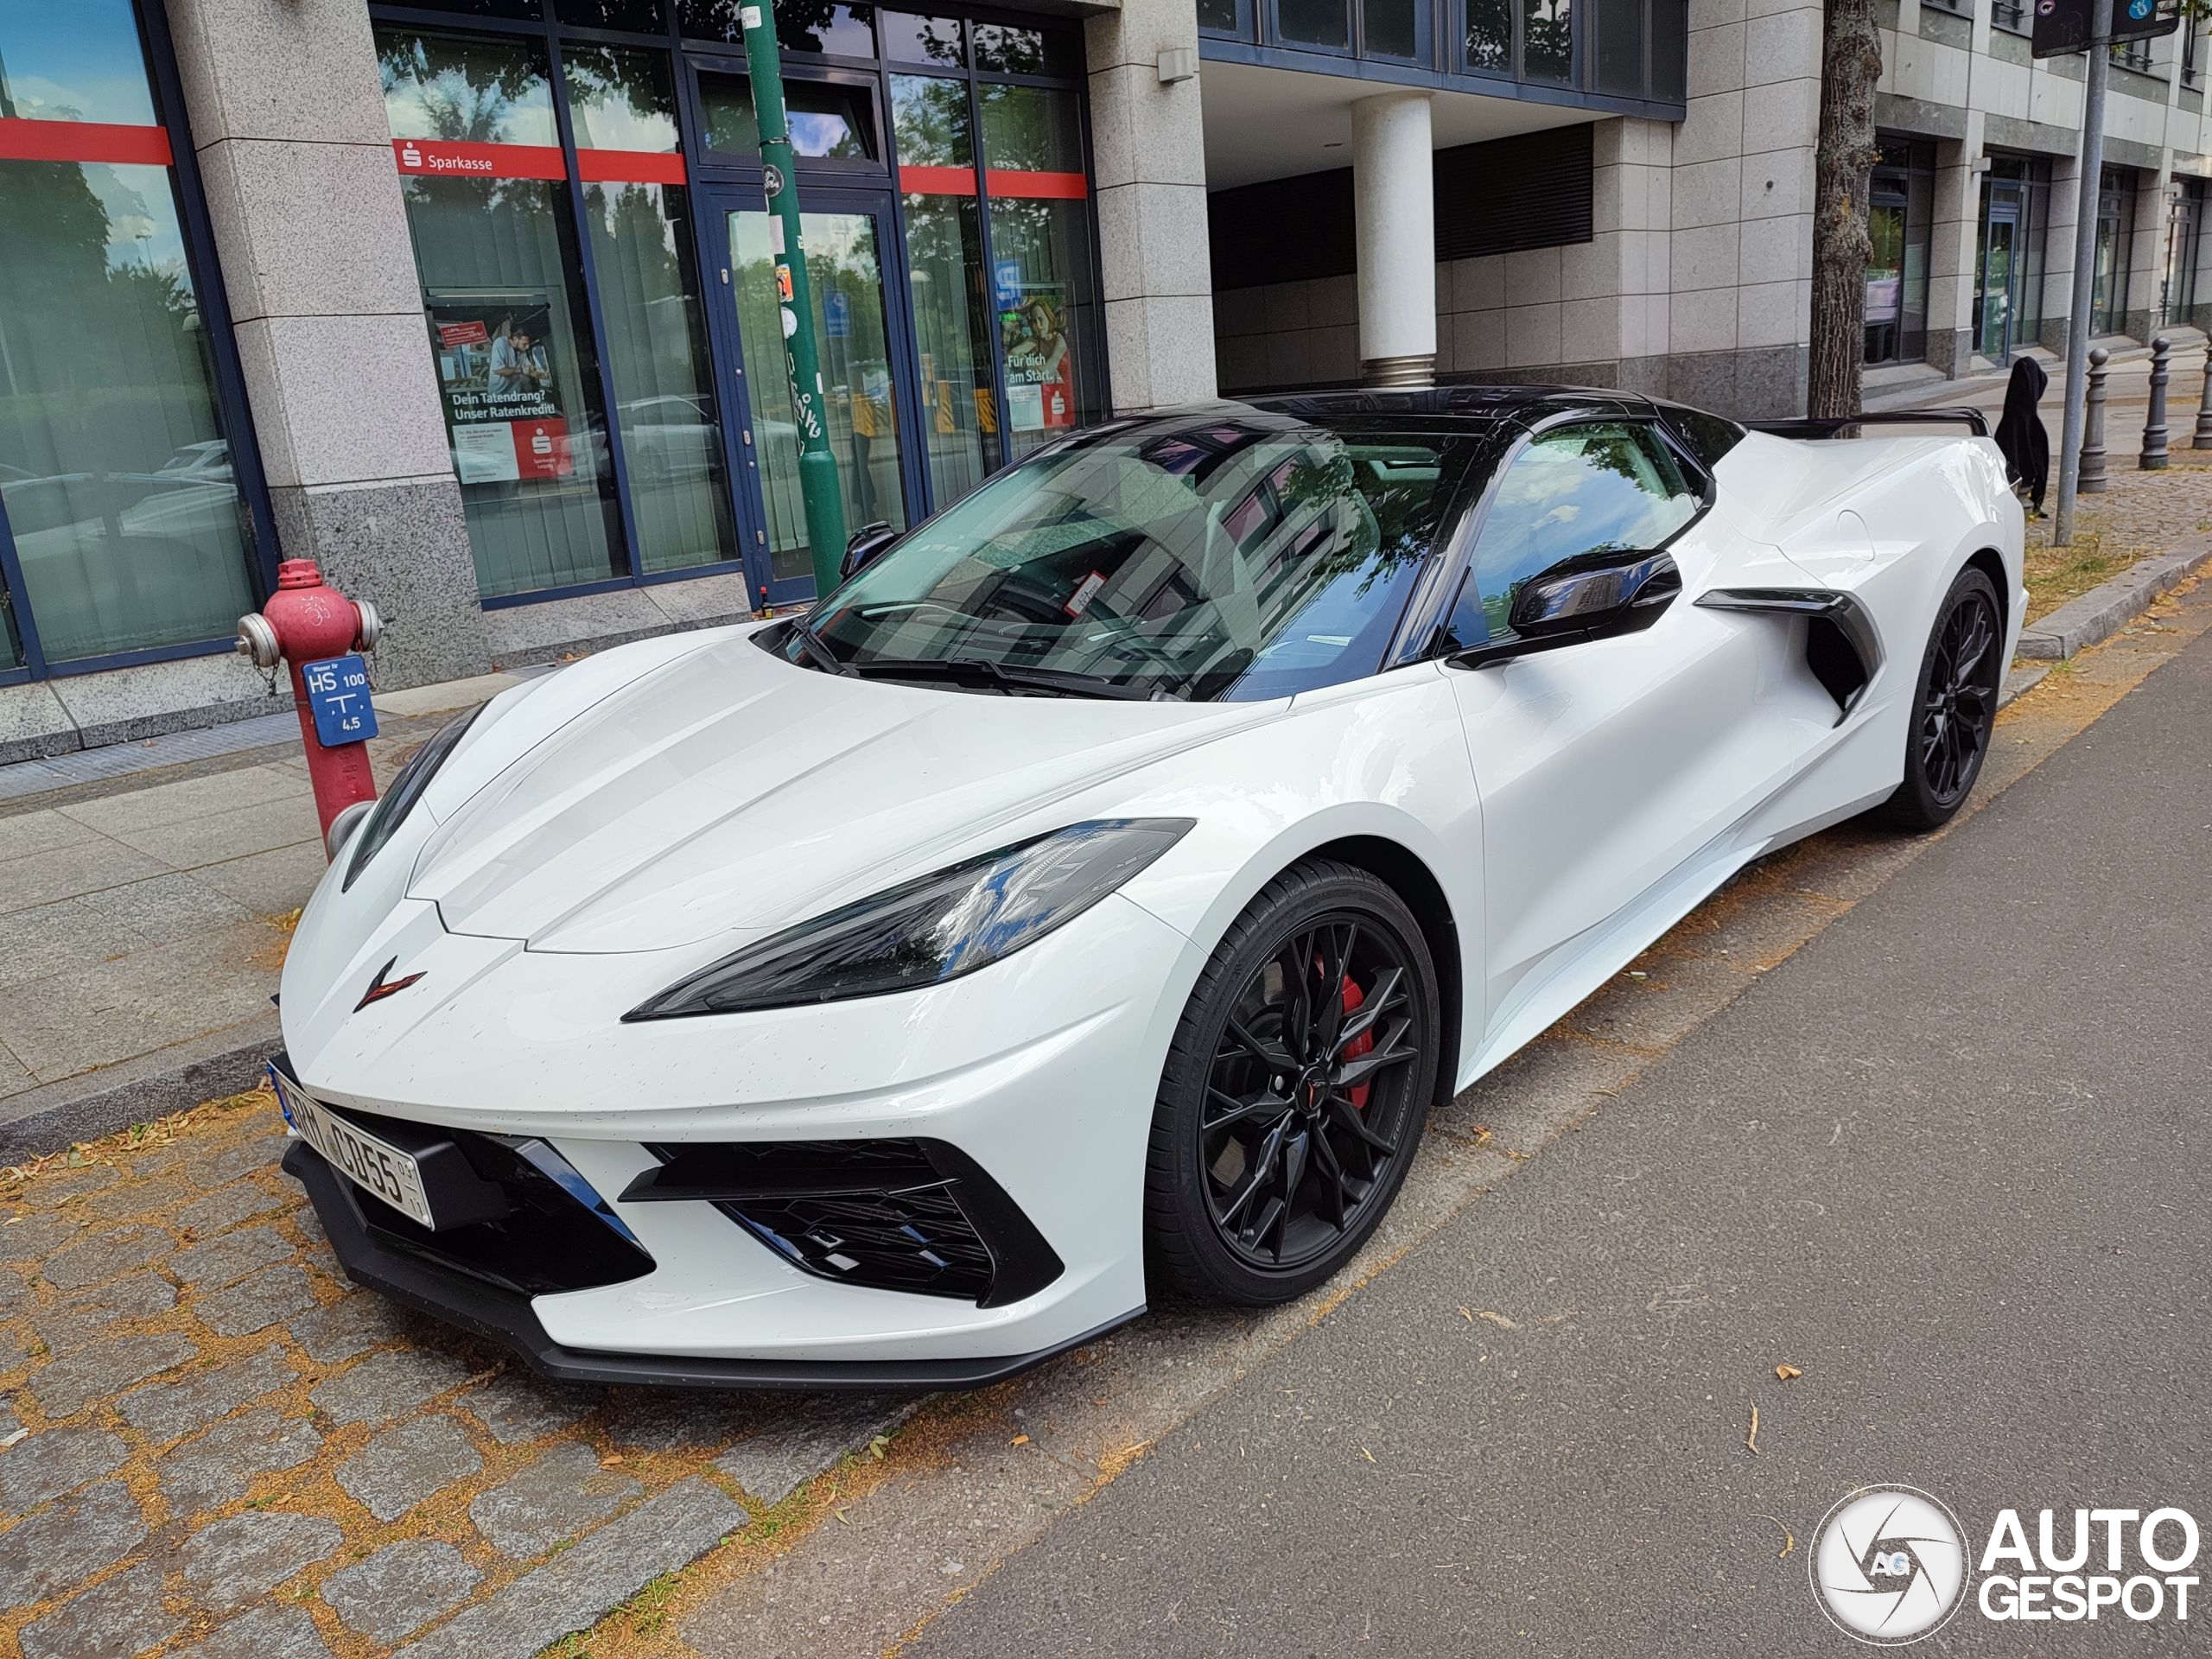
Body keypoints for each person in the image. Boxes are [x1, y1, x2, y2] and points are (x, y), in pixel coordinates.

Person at [1993, 355, 2050, 518]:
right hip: (2022, 493)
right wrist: (2037, 502)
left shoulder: (2008, 425)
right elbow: (2041, 469)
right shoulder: (2033, 427)